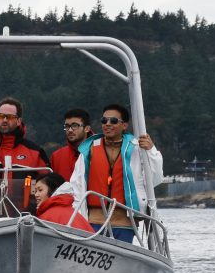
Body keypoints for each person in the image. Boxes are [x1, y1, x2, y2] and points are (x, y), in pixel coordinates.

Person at [69, 103, 163, 243]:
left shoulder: (138, 149)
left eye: (113, 121)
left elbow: (155, 178)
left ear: (124, 125)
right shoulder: (89, 150)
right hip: (93, 220)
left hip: (124, 222)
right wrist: (77, 217)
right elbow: (76, 185)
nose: (107, 124)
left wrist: (151, 150)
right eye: (104, 120)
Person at [50, 108, 92, 181]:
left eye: (75, 126)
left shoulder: (100, 152)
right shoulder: (56, 157)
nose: (70, 130)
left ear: (87, 129)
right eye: (67, 126)